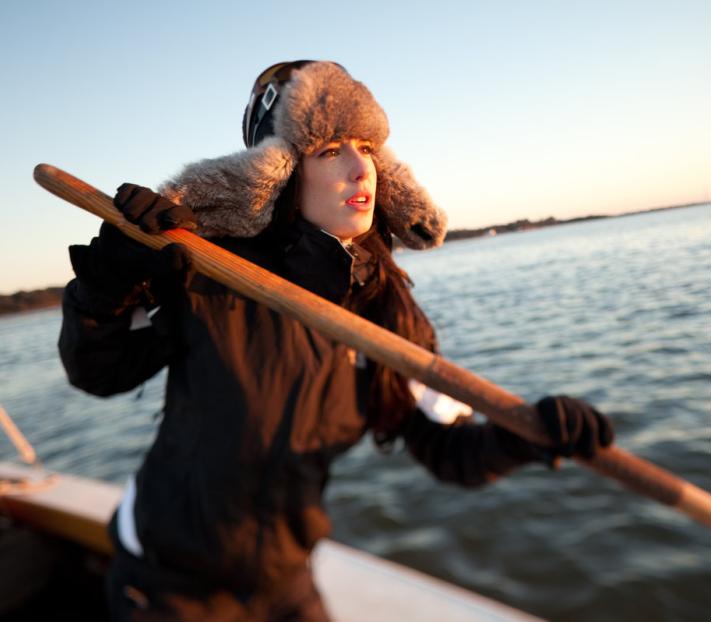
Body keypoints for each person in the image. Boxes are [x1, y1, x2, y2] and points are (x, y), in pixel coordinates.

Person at [59, 60, 614, 621]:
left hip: (286, 579)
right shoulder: (206, 276)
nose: (359, 168)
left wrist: (530, 433)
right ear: (276, 172)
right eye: (329, 150)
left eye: (367, 148)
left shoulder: (384, 310)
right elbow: (98, 371)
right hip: (166, 582)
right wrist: (110, 281)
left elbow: (449, 450)